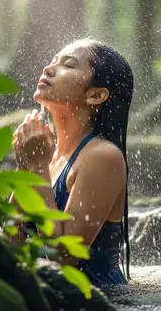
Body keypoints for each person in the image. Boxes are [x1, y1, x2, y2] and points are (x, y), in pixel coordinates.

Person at [12, 38, 133, 287]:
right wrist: (25, 166)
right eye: (52, 61)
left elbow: (62, 260)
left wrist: (37, 168)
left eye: (68, 64)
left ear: (95, 95)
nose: (48, 69)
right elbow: (10, 239)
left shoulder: (102, 156)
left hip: (101, 301)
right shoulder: (49, 155)